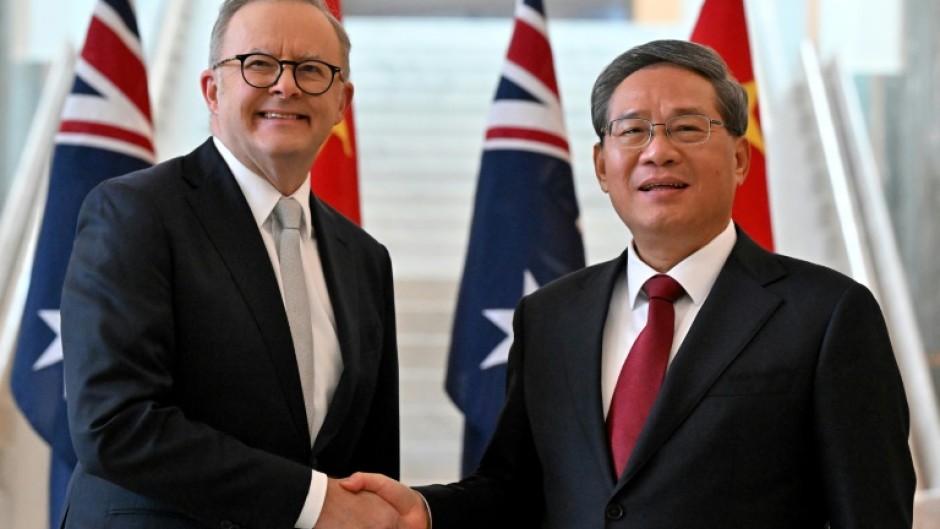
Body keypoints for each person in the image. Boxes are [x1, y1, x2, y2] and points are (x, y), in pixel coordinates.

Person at [341, 39, 916, 528]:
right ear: (601, 165)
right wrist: (426, 511)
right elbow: (515, 490)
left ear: (741, 158)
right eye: (633, 130)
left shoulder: (827, 314)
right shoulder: (550, 317)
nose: (658, 151)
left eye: (687, 128)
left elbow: (871, 512)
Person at [60, 1, 400, 527]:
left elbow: (368, 470)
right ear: (212, 90)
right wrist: (313, 502)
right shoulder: (135, 213)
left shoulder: (365, 259)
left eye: (311, 69)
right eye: (258, 64)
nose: (285, 86)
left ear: (341, 102)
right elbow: (116, 424)